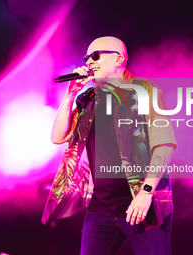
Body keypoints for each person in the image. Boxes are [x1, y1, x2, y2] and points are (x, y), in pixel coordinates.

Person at [42, 36, 177, 255]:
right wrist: (70, 95)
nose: (89, 63)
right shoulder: (87, 98)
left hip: (142, 203)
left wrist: (146, 192)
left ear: (119, 59)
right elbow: (58, 137)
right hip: (101, 209)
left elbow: (164, 145)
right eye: (87, 58)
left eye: (95, 56)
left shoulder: (145, 91)